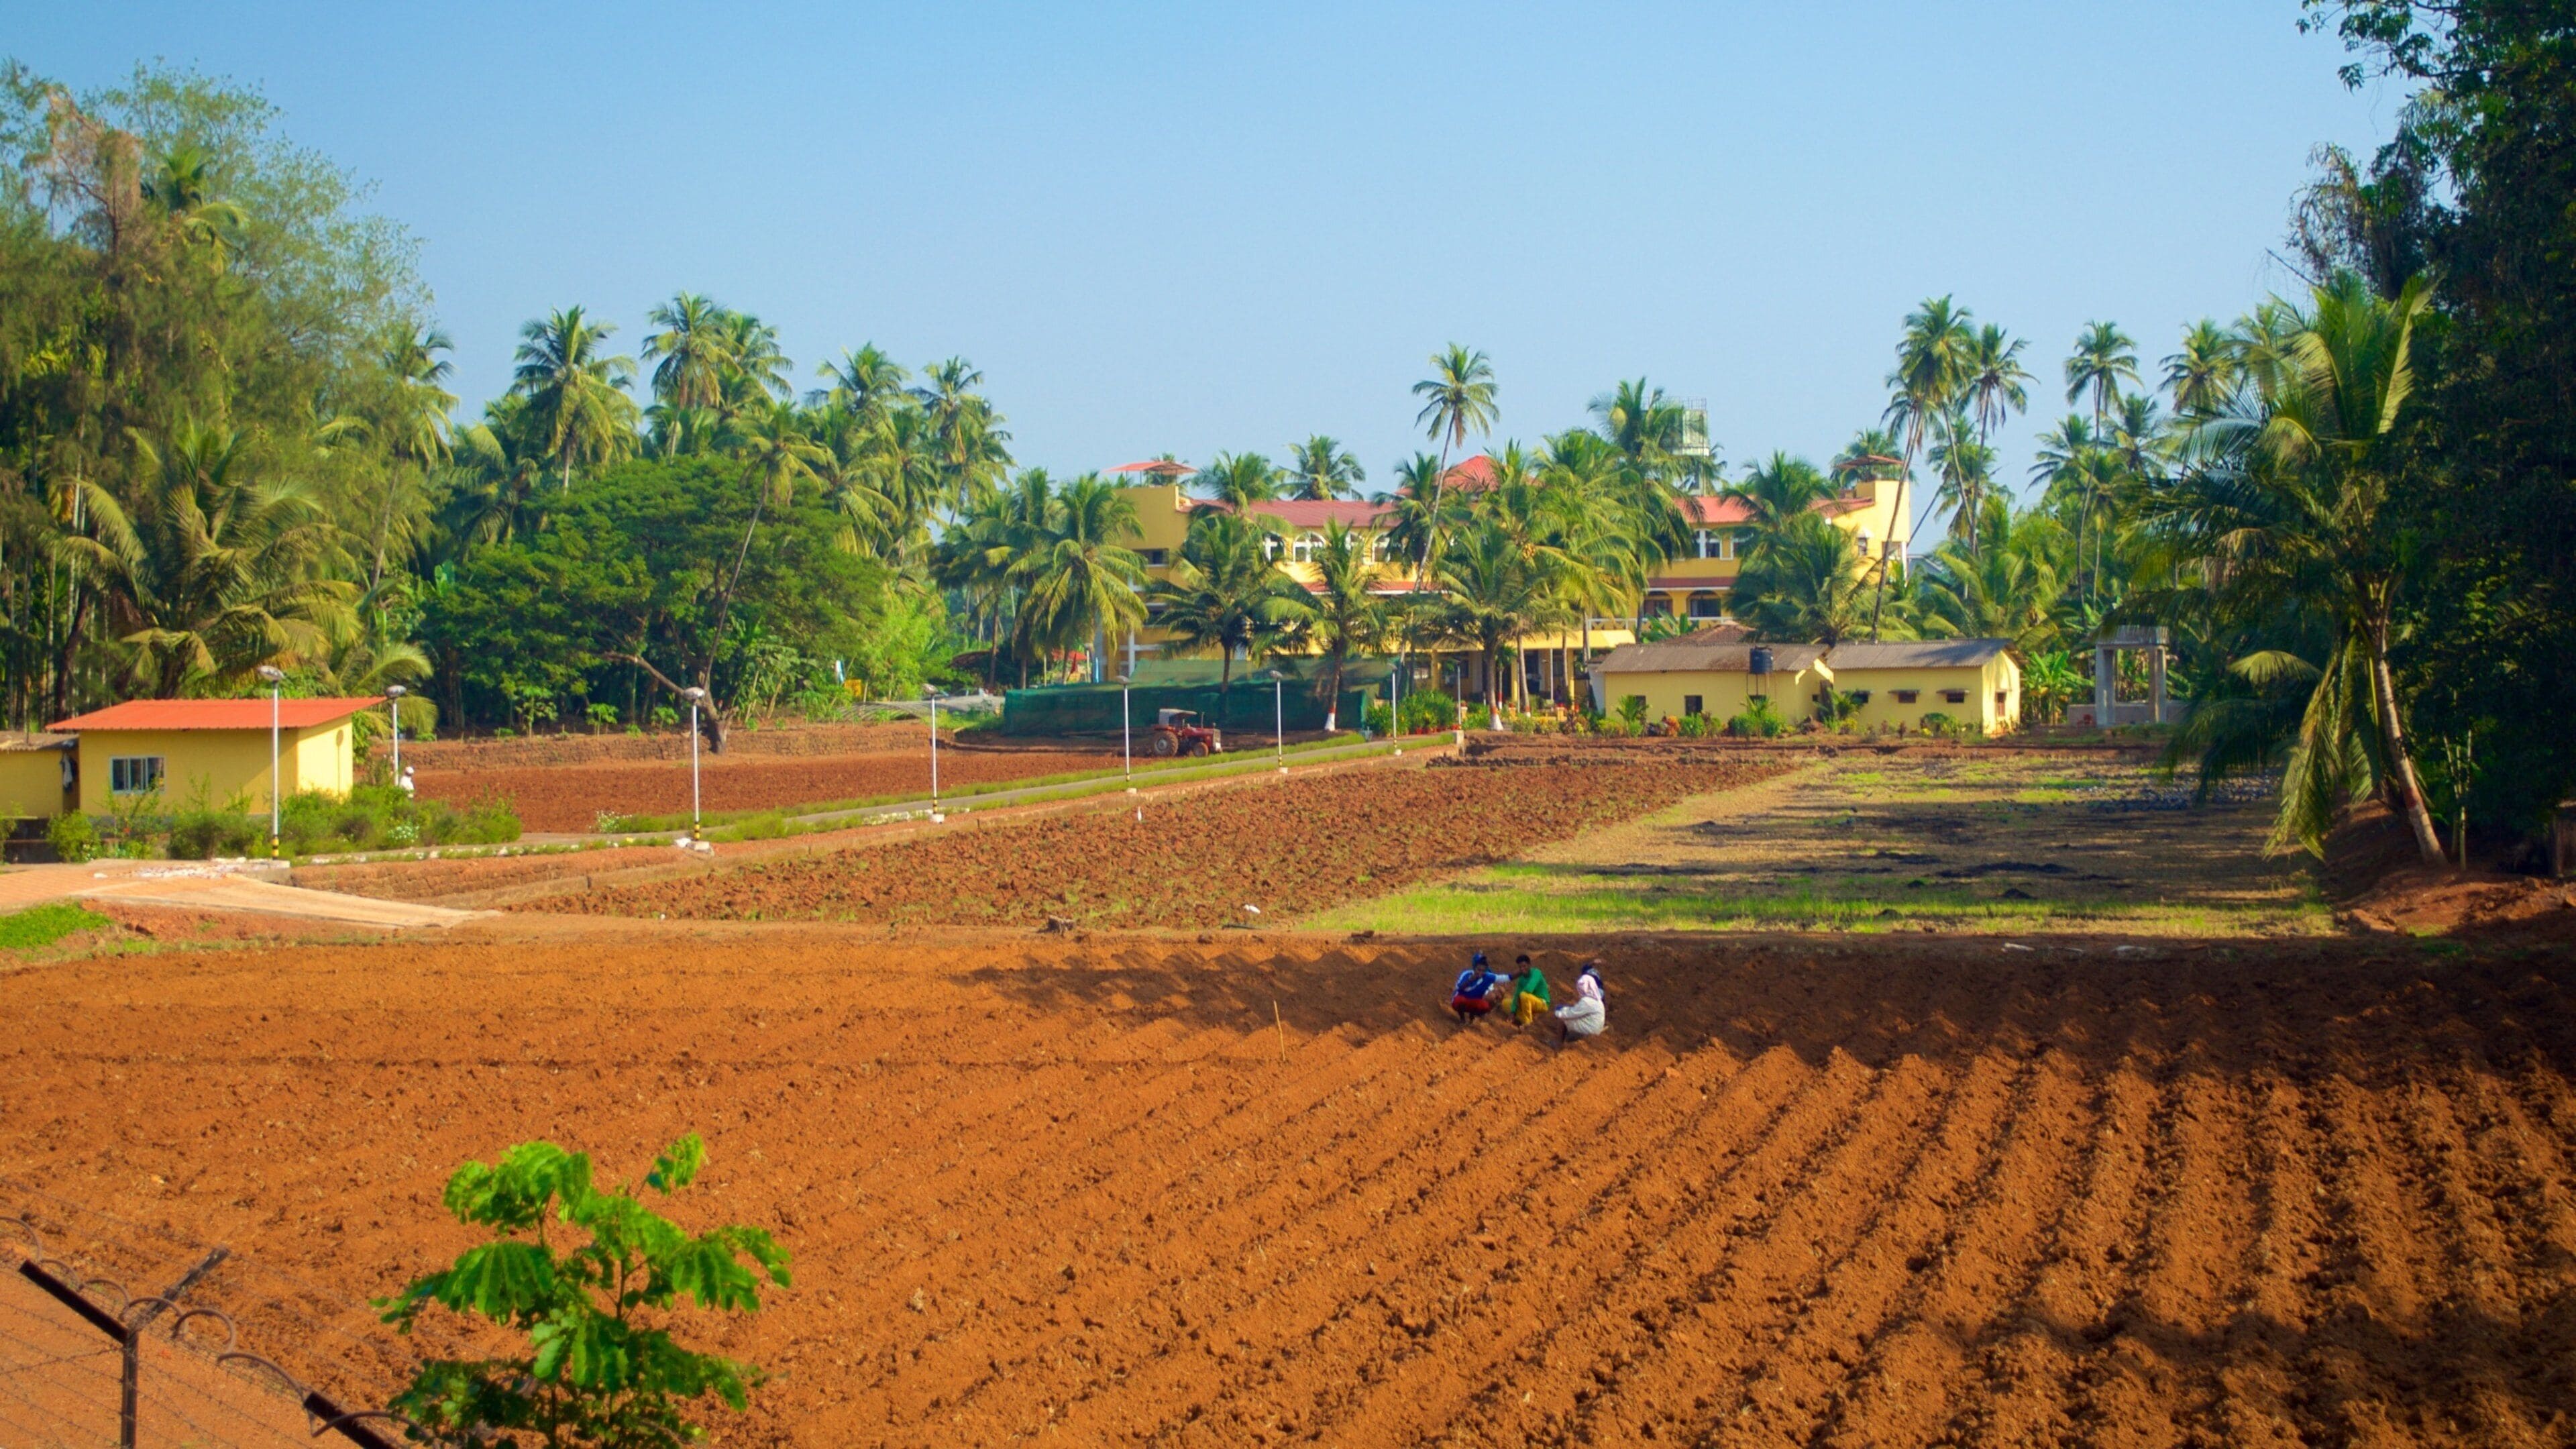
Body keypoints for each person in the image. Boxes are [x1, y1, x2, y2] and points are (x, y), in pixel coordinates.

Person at [1552, 961, 1607, 1046]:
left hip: (1591, 1030)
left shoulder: (1587, 1001)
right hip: (1596, 1027)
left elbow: (1572, 1013)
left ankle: (1558, 1043)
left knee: (1563, 1019)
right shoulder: (1598, 999)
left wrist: (1558, 1012)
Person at [1450, 951, 1503, 1025]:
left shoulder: (1487, 973)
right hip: (1464, 998)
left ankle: (1475, 1016)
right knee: (1461, 1000)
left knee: (1486, 1001)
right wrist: (1470, 981)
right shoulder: (1467, 974)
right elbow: (1459, 988)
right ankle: (1464, 1019)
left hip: (1478, 997)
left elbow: (1490, 985)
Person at [1507, 953, 1551, 1028]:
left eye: (1524, 966)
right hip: (1528, 1002)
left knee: (1523, 995)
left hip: (1542, 1003)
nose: (1522, 969)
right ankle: (1527, 1018)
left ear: (1529, 965)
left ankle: (1528, 1023)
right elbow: (1517, 994)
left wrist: (1519, 999)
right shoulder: (1521, 978)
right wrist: (1513, 1012)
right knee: (1506, 1003)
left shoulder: (1536, 973)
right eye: (1520, 967)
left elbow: (1529, 989)